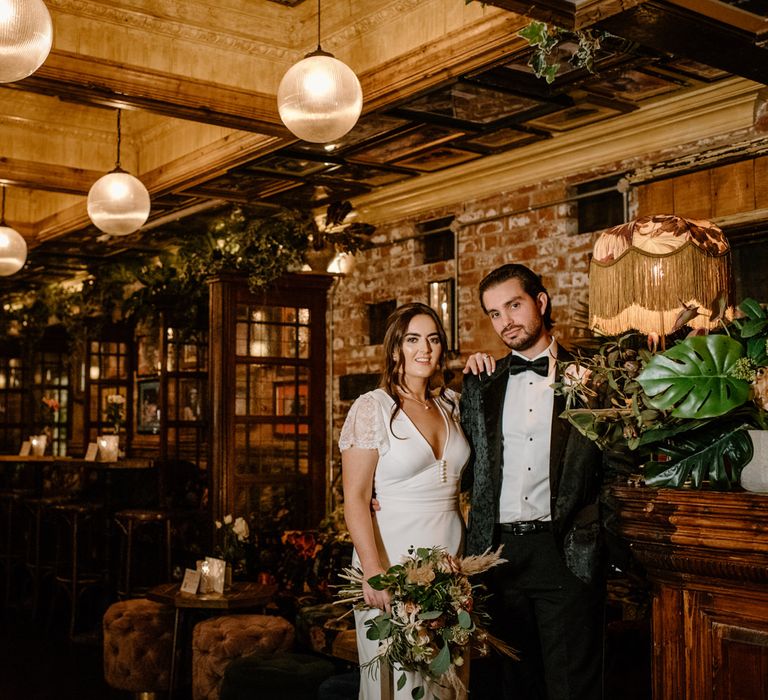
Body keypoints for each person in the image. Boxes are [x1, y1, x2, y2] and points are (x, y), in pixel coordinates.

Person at [460, 263, 608, 700]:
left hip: (564, 550)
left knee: (572, 684)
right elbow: (461, 462)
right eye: (494, 313)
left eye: (514, 305)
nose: (505, 321)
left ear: (540, 302)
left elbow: (614, 465)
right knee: (509, 686)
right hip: (496, 555)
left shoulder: (592, 376)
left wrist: (601, 533)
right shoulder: (482, 382)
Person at [340, 302, 471, 700]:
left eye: (433, 339)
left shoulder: (451, 404)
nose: (424, 349)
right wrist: (373, 569)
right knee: (396, 680)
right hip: (392, 560)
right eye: (413, 339)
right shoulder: (372, 408)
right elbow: (356, 498)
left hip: (451, 560)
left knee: (446, 679)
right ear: (395, 348)